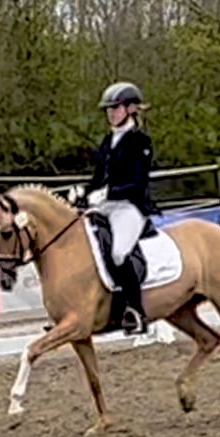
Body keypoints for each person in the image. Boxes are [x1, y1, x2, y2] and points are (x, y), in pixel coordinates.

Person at [69, 81, 161, 335]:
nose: (110, 112)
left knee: (119, 253)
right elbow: (99, 177)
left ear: (130, 109)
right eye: (108, 108)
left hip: (130, 207)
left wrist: (107, 193)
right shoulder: (108, 140)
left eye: (115, 107)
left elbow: (137, 182)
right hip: (106, 206)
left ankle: (136, 311)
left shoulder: (140, 141)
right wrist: (84, 195)